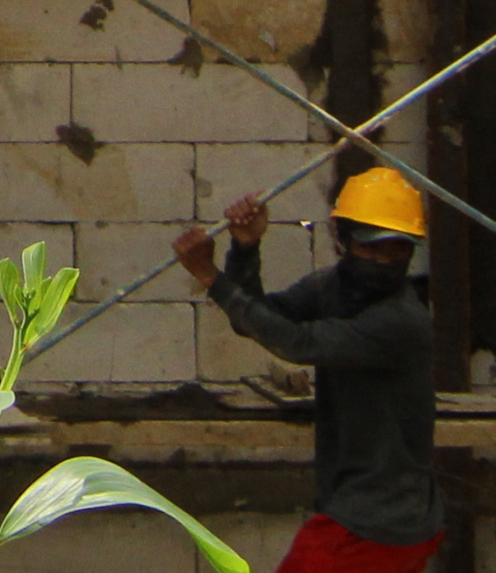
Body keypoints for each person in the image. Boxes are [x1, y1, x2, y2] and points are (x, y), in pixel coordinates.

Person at [179, 172, 441, 573]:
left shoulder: (402, 321)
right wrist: (246, 248)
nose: (384, 262)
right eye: (372, 249)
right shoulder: (331, 287)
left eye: (397, 251)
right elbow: (253, 319)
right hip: (370, 513)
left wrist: (211, 278)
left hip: (375, 522)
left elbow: (296, 342)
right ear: (343, 239)